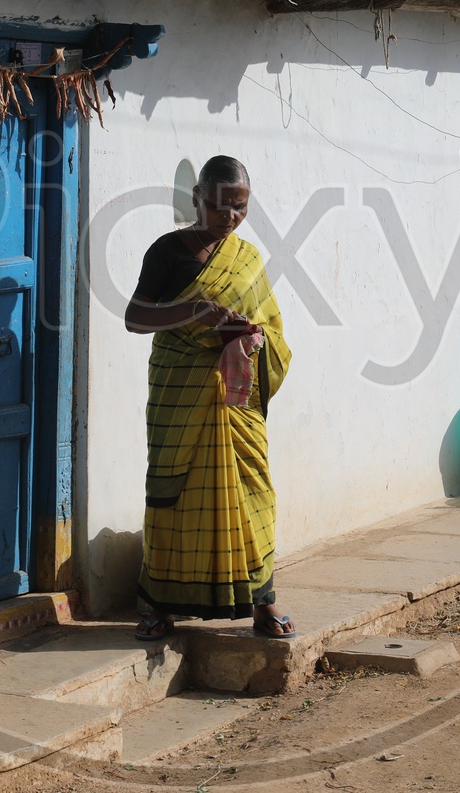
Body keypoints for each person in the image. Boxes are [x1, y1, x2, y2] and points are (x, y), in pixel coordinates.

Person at [124, 155, 295, 641]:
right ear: (197, 199)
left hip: (236, 398)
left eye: (240, 208)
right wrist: (189, 312)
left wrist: (252, 337)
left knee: (253, 488)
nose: (229, 218)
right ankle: (159, 604)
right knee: (170, 492)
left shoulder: (248, 260)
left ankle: (263, 604)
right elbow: (135, 317)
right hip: (179, 389)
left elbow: (274, 330)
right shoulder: (166, 252)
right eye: (220, 207)